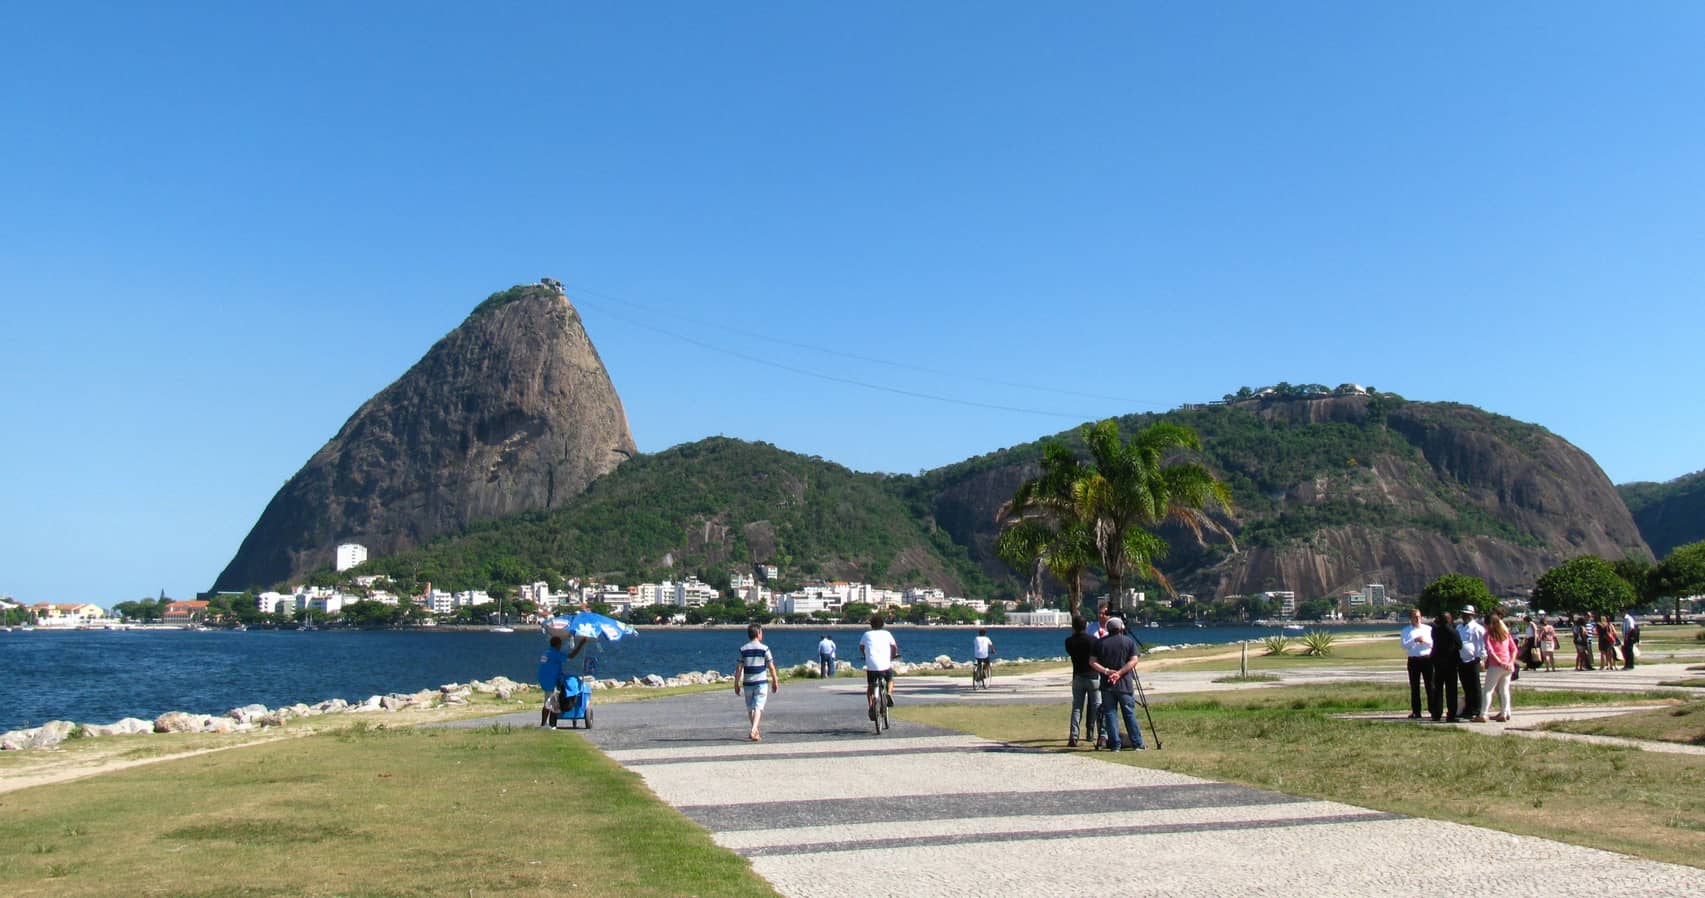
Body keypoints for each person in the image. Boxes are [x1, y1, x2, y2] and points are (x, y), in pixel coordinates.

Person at [1090, 616, 1145, 751]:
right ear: (1121, 628)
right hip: (1124, 684)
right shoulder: (1128, 642)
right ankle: (1137, 743)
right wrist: (1120, 673)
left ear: (1108, 628)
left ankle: (1115, 745)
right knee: (1129, 713)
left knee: (1110, 714)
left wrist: (1107, 671)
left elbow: (1092, 662)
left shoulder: (1100, 643)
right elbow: (1133, 660)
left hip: (1107, 684)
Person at [734, 623, 780, 741]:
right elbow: (771, 666)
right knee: (759, 707)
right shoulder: (765, 648)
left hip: (748, 682)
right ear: (758, 633)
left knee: (750, 708)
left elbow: (739, 668)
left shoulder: (743, 649)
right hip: (761, 681)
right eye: (761, 632)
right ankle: (754, 730)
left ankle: (755, 731)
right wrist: (775, 680)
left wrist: (736, 683)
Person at [1063, 615, 1102, 748]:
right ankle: (1102, 735)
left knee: (1077, 708)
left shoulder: (1069, 641)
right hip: (1093, 675)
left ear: (1073, 627)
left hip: (1078, 675)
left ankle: (1073, 736)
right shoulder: (1094, 640)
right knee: (1098, 706)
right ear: (1086, 626)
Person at [858, 614, 901, 722]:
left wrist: (865, 655)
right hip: (885, 665)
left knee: (870, 687)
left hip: (871, 666)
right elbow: (894, 646)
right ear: (882, 624)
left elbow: (861, 647)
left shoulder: (866, 634)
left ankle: (871, 706)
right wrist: (893, 655)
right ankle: (889, 693)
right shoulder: (887, 634)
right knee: (890, 679)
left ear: (871, 625)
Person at [1400, 608, 1436, 720]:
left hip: (1427, 659)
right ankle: (1416, 711)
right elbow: (1404, 645)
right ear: (1411, 618)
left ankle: (1433, 710)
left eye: (1419, 616)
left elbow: (1434, 643)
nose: (1417, 619)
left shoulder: (1428, 629)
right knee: (1415, 687)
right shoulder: (1406, 631)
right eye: (1415, 617)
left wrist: (1424, 640)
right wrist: (1414, 640)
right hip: (1413, 660)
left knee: (1430, 685)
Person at [1482, 614, 1518, 722]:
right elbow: (1514, 649)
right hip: (1508, 665)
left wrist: (1500, 662)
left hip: (1496, 665)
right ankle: (1504, 713)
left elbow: (1490, 651)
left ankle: (1483, 714)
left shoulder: (1488, 635)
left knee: (1488, 690)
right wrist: (1511, 662)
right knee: (1504, 690)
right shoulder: (1505, 634)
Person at [1457, 606, 1487, 722]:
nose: (1465, 616)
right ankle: (1468, 708)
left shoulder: (1477, 628)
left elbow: (1482, 644)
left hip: (1473, 659)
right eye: (1464, 614)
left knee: (1475, 686)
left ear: (1472, 615)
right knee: (1466, 686)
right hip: (1462, 660)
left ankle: (1476, 709)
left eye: (1468, 614)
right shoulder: (1459, 627)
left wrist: (1481, 658)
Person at [1430, 612, 1462, 722]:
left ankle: (1436, 713)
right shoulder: (1453, 631)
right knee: (1451, 690)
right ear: (1449, 620)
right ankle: (1451, 714)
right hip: (1451, 663)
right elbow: (1460, 645)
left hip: (1438, 662)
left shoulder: (1436, 631)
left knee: (1438, 689)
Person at [537, 635, 570, 728]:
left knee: (552, 702)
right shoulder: (555, 653)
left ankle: (549, 724)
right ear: (557, 644)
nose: (561, 646)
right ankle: (544, 725)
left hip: (545, 680)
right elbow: (569, 657)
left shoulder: (546, 653)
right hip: (552, 681)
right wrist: (580, 645)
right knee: (550, 702)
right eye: (560, 644)